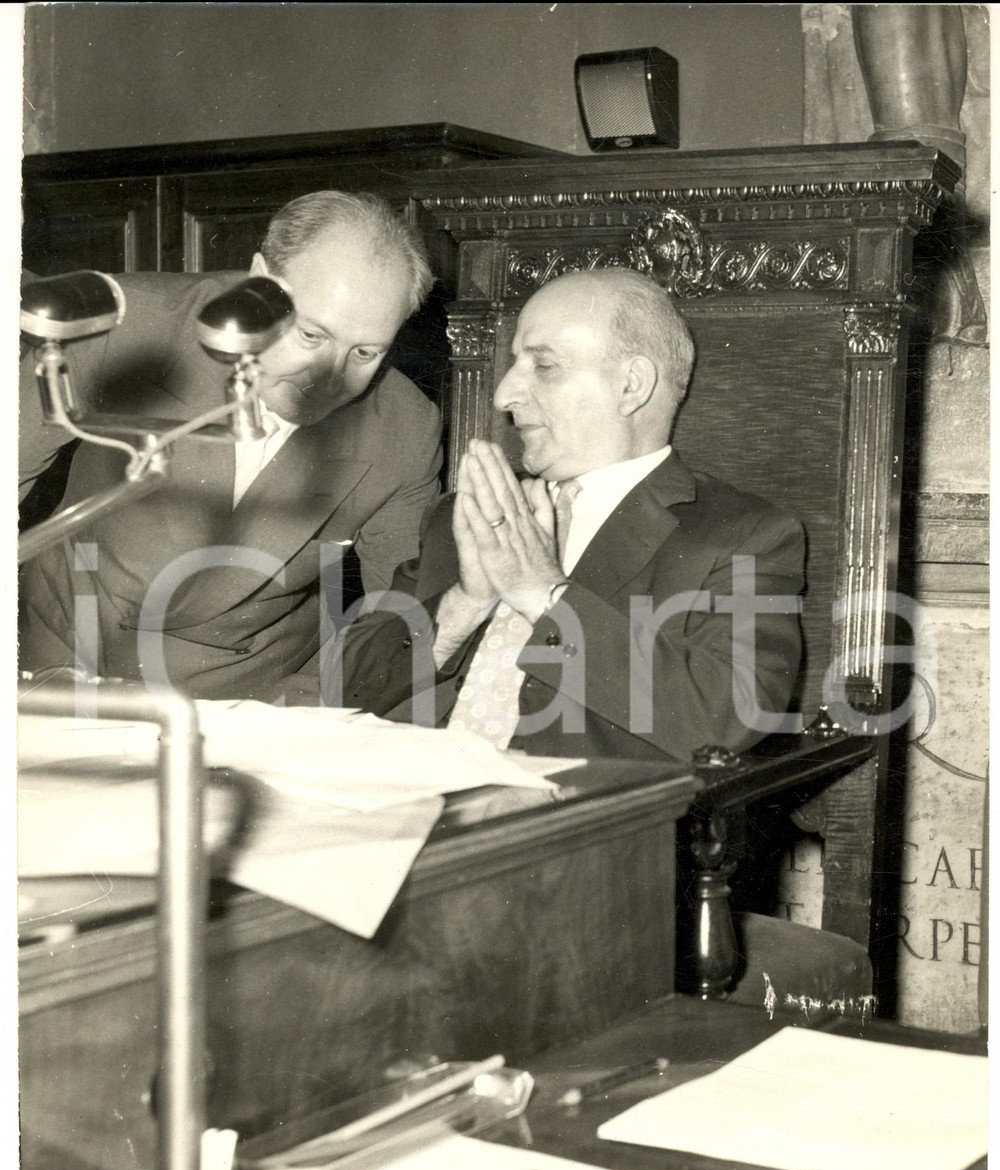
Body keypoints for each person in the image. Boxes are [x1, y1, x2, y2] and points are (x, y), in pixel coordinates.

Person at [318, 267, 805, 766]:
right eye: (514, 363)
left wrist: (545, 595)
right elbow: (340, 689)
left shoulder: (743, 535)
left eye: (544, 365)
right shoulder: (469, 513)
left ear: (631, 385)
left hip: (572, 810)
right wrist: (465, 604)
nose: (504, 395)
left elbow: (731, 717)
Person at [18, 190, 443, 700]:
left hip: (249, 693)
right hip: (61, 650)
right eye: (311, 336)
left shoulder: (405, 428)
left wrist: (300, 714)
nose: (326, 380)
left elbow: (395, 624)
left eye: (365, 352)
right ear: (259, 281)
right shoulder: (123, 324)